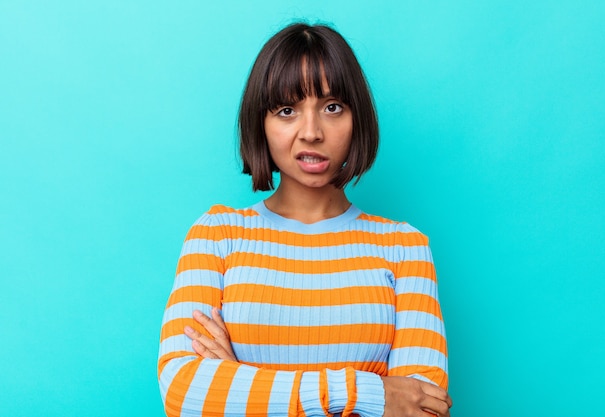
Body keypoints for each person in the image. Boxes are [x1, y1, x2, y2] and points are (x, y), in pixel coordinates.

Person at [158, 22, 451, 417]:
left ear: (356, 118)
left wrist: (240, 382)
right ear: (260, 123)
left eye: (332, 107)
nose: (311, 132)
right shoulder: (216, 236)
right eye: (286, 110)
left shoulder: (404, 248)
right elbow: (184, 393)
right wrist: (370, 393)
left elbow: (422, 408)